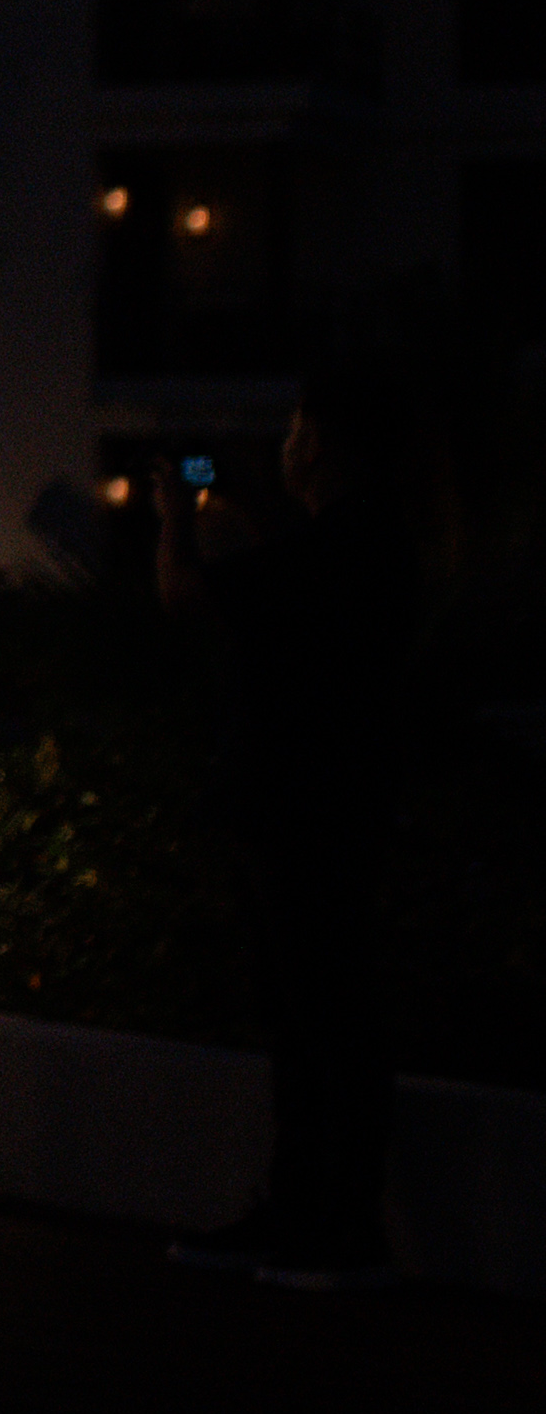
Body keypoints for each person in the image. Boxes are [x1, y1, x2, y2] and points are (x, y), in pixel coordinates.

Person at [159, 370, 420, 1288]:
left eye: (297, 428)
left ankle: (337, 1229)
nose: (286, 444)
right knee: (310, 1019)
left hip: (300, 814)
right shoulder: (362, 544)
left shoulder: (345, 545)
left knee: (322, 1023)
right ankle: (305, 1216)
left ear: (319, 444)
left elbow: (185, 594)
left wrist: (173, 510)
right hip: (318, 811)